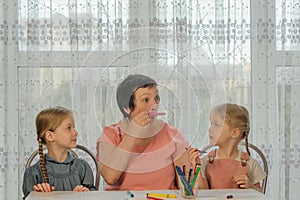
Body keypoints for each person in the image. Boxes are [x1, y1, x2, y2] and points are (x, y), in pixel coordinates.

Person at [96, 74, 190, 190]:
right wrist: (132, 134)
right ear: (127, 107)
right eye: (146, 100)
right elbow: (110, 177)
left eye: (157, 98)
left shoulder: (173, 135)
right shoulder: (110, 135)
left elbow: (186, 186)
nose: (154, 105)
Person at [187, 103, 266, 192]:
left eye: (216, 125)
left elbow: (260, 195)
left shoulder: (251, 163)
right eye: (211, 123)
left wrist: (250, 187)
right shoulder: (205, 161)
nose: (210, 129)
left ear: (234, 133)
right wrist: (197, 167)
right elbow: (204, 194)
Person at [22, 106, 96, 199]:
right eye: (69, 128)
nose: (75, 132)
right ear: (50, 136)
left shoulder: (82, 167)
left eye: (74, 127)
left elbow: (92, 196)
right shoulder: (33, 173)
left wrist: (84, 193)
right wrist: (37, 196)